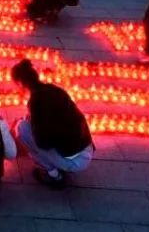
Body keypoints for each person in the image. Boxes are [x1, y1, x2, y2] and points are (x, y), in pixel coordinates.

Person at [10, 59, 93, 187]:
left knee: (21, 129)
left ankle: (55, 176)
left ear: (21, 84)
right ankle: (60, 163)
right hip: (86, 149)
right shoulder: (54, 89)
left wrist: (27, 134)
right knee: (26, 123)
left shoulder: (36, 101)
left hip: (75, 161)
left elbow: (42, 143)